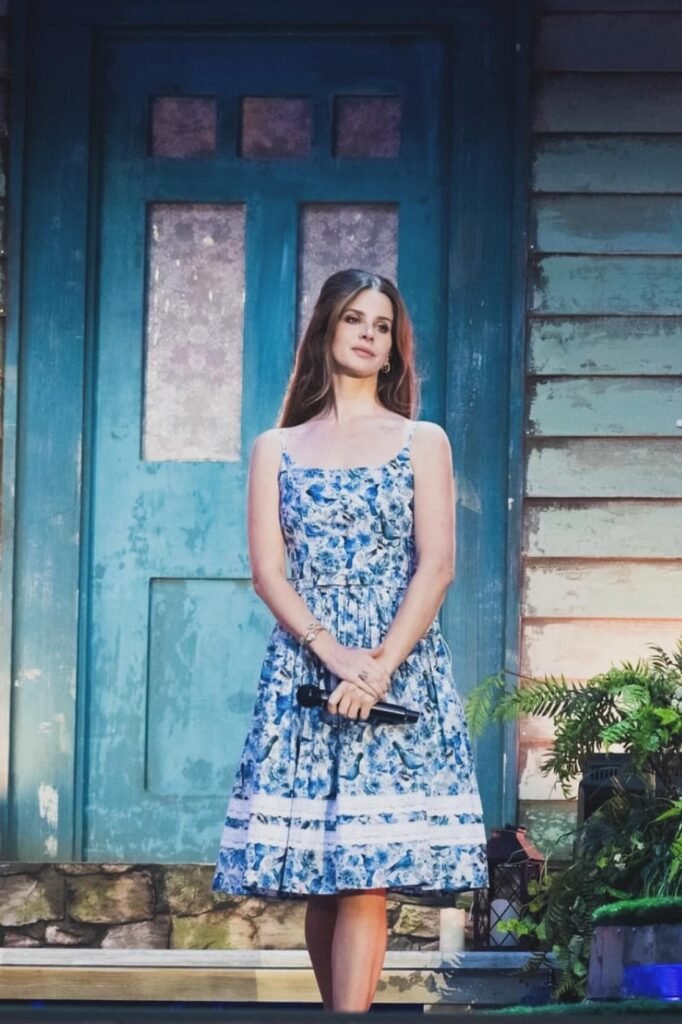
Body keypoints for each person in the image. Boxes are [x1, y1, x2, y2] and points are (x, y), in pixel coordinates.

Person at [212, 268, 488, 1012]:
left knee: (365, 866)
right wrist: (332, 655)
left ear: (395, 349)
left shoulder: (420, 439)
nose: (368, 334)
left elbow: (438, 565)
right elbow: (268, 573)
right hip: (309, 669)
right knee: (324, 869)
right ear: (326, 333)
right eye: (354, 321)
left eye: (381, 326)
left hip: (397, 664)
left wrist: (377, 670)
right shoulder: (276, 446)